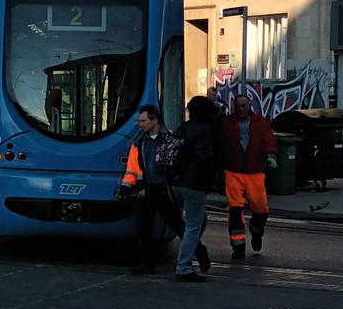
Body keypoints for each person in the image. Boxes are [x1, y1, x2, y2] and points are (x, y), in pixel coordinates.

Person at [118, 104, 207, 277]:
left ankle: (200, 251)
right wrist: (126, 187)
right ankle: (147, 264)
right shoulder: (138, 142)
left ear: (155, 121)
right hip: (147, 190)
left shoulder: (170, 138)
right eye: (139, 121)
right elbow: (132, 169)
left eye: (143, 121)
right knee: (143, 228)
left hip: (165, 190)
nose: (139, 124)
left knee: (177, 225)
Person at [219, 93, 277, 259]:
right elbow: (221, 146)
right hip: (234, 171)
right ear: (234, 106)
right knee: (235, 210)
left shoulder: (261, 123)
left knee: (261, 210)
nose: (241, 109)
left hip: (255, 172)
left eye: (244, 106)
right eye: (238, 106)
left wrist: (271, 156)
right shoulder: (227, 124)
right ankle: (238, 247)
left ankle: (256, 231)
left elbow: (269, 141)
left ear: (249, 106)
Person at [172, 96, 218, 282]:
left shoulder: (182, 128)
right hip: (195, 183)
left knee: (200, 220)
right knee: (193, 225)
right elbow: (204, 156)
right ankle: (183, 267)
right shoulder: (205, 130)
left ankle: (189, 251)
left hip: (176, 181)